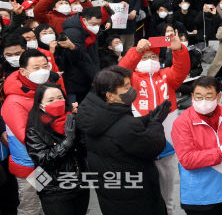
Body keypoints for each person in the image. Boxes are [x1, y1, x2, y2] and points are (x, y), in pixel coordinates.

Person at [76, 66, 170, 215]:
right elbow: (154, 145)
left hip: (111, 194)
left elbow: (117, 131)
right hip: (138, 198)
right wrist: (155, 123)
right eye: (126, 87)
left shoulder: (93, 115)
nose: (131, 89)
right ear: (110, 96)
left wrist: (146, 119)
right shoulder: (125, 126)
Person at [118, 34, 190, 215]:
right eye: (145, 57)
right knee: (145, 185)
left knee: (168, 185)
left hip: (168, 143)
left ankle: (169, 210)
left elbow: (182, 69)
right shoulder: (131, 79)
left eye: (153, 57)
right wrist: (136, 51)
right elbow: (119, 72)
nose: (149, 60)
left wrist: (178, 50)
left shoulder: (167, 76)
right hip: (142, 141)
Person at [172, 77, 222, 215]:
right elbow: (187, 159)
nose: (203, 101)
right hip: (199, 196)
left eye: (208, 97)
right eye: (198, 97)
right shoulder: (182, 123)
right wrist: (220, 152)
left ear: (218, 97)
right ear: (192, 97)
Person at [1, 49, 61, 215]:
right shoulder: (14, 101)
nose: (42, 71)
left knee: (44, 201)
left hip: (45, 161)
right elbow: (26, 136)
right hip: (29, 164)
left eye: (44, 66)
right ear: (23, 71)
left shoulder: (44, 91)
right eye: (36, 67)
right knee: (31, 206)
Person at [25, 83, 89, 215]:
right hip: (53, 190)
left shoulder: (72, 120)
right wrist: (68, 141)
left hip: (80, 185)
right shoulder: (34, 129)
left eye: (60, 98)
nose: (57, 102)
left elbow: (84, 152)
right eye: (50, 100)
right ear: (40, 105)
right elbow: (44, 160)